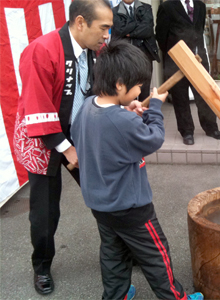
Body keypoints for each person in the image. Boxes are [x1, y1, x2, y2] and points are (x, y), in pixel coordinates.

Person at [71, 40, 204, 300]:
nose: (141, 89)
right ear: (120, 84)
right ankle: (177, 297)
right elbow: (152, 138)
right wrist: (155, 107)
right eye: (138, 85)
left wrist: (126, 108)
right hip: (131, 208)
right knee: (156, 256)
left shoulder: (87, 106)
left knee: (114, 254)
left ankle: (116, 295)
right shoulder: (121, 121)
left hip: (101, 204)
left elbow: (112, 124)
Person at [13, 0, 113, 295]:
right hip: (42, 140)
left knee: (106, 193)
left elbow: (100, 90)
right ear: (80, 22)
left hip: (79, 132)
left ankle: (121, 250)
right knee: (45, 213)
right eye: (104, 28)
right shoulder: (41, 51)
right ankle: (42, 266)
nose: (107, 35)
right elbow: (37, 108)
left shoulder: (95, 51)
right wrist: (67, 149)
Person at [156, 0, 220, 145]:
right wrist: (174, 55)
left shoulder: (200, 5)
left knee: (205, 96)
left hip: (198, 59)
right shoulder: (167, 7)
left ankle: (211, 128)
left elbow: (198, 31)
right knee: (180, 98)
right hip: (177, 62)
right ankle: (187, 131)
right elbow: (161, 36)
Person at [111, 0, 160, 101]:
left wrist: (129, 33)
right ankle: (131, 116)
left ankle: (145, 115)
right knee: (128, 89)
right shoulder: (114, 11)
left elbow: (147, 30)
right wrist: (137, 23)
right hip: (125, 55)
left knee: (144, 90)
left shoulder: (146, 7)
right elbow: (119, 30)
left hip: (145, 53)